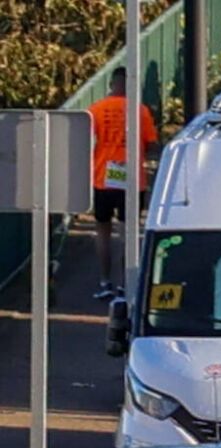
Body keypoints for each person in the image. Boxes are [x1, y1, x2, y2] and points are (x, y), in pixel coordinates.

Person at [86, 67, 158, 298]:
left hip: (102, 176)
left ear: (111, 84)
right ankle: (126, 284)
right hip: (132, 176)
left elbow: (86, 141)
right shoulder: (140, 111)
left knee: (103, 230)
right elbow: (151, 142)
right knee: (128, 232)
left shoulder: (96, 110)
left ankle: (104, 281)